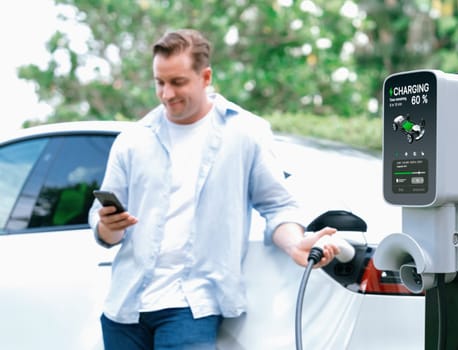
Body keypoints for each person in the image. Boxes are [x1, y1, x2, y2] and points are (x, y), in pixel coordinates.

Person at [89, 28, 340, 350]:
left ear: (205, 76)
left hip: (191, 307)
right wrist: (108, 226)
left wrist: (294, 244)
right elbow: (103, 225)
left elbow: (277, 206)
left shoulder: (246, 133)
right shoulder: (132, 141)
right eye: (159, 83)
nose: (167, 94)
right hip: (124, 308)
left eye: (177, 82)